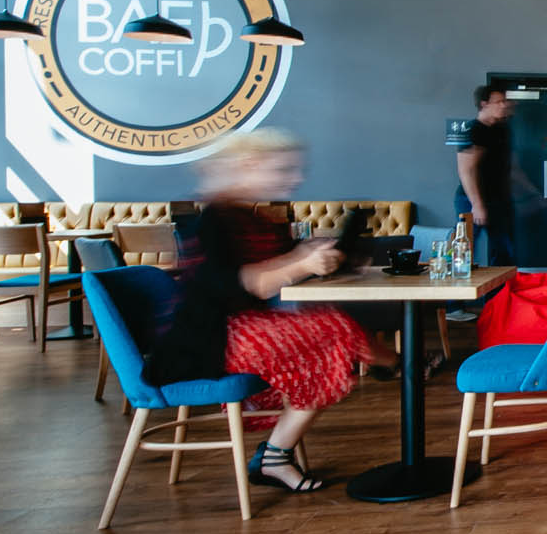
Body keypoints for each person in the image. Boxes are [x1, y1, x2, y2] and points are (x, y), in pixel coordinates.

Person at [146, 130, 387, 493]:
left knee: (332, 335)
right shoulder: (212, 218)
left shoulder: (251, 218)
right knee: (335, 330)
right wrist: (302, 261)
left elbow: (285, 260)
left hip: (238, 330)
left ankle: (393, 364)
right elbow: (252, 282)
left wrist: (327, 255)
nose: (296, 178)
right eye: (284, 169)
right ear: (249, 165)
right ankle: (396, 364)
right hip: (209, 340)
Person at [450, 84, 516, 323]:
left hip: (498, 199)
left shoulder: (501, 130)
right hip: (470, 199)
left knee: (504, 251)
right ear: (483, 104)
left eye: (505, 101)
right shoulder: (473, 130)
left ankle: (496, 305)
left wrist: (531, 193)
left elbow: (511, 168)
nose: (504, 105)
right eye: (499, 102)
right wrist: (477, 205)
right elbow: (465, 170)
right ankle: (453, 307)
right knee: (463, 251)